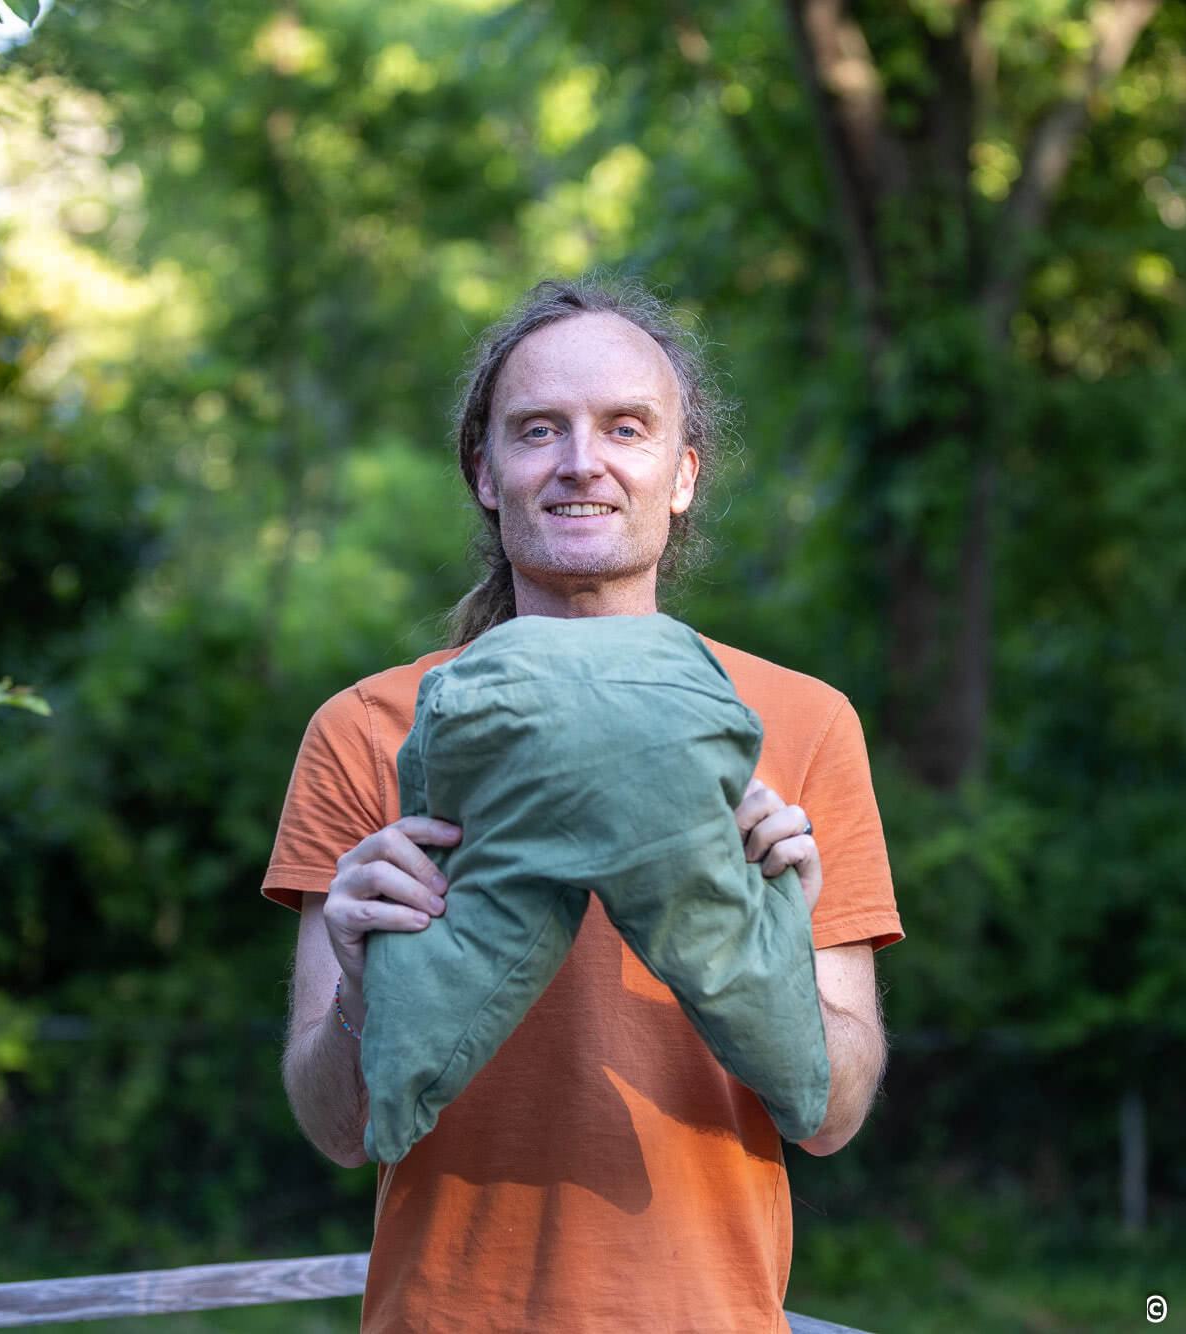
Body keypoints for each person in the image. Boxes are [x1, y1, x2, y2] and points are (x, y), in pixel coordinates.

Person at [261, 277, 902, 1333]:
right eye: (537, 430)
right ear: (483, 470)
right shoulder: (367, 728)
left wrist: (776, 942)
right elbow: (338, 1125)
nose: (579, 461)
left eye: (625, 427)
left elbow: (830, 1115)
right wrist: (362, 987)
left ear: (682, 472)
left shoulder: (798, 723)